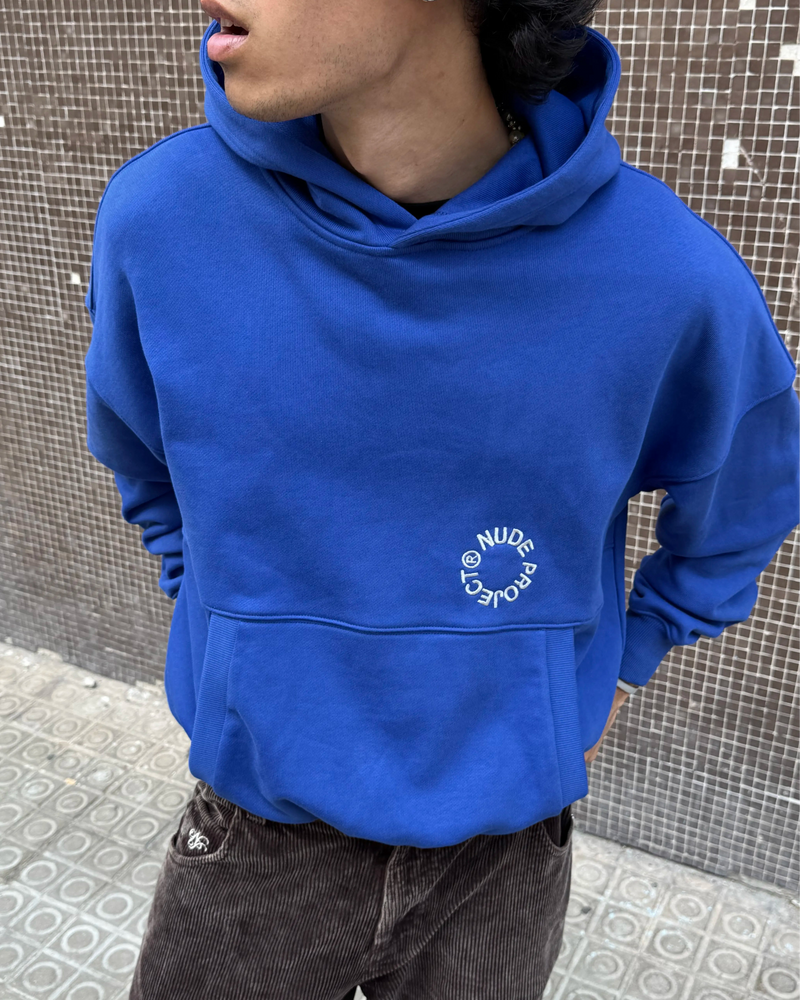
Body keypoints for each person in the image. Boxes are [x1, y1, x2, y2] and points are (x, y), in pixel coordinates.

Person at [82, 0, 800, 993]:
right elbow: (141, 454)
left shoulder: (667, 276)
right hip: (256, 832)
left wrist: (624, 658)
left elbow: (743, 504)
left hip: (503, 858)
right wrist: (237, 634)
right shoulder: (161, 221)